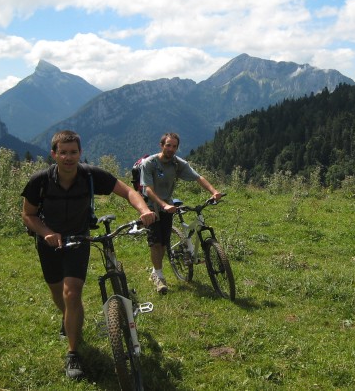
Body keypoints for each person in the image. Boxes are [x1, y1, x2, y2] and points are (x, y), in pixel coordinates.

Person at [21, 130, 156, 380]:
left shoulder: (91, 175)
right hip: (49, 243)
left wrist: (144, 209)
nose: (68, 157)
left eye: (73, 152)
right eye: (63, 152)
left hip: (80, 239)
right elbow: (27, 215)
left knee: (71, 292)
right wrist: (47, 232)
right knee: (56, 291)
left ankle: (73, 353)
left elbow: (128, 191)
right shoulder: (40, 180)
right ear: (54, 154)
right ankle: (69, 319)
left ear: (80, 153)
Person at [140, 132, 222, 294]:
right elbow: (147, 189)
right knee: (156, 243)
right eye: (168, 145)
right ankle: (159, 277)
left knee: (164, 243)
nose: (171, 149)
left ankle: (156, 270)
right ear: (161, 145)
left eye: (174, 146)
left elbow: (198, 177)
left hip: (168, 206)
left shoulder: (177, 164)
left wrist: (214, 191)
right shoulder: (149, 163)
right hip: (150, 207)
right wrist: (163, 205)